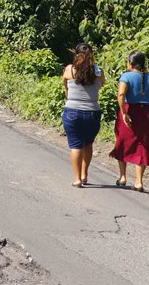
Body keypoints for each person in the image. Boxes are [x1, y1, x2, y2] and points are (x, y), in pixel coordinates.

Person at [109, 50, 149, 190]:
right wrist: (148, 110)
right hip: (146, 112)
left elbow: (121, 94)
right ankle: (139, 181)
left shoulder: (126, 76)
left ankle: (123, 176)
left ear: (130, 63)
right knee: (143, 145)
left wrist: (124, 113)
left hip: (130, 110)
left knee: (122, 142)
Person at [61, 42, 104, 187]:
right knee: (88, 144)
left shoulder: (69, 70)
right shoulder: (98, 71)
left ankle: (77, 178)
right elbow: (101, 84)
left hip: (72, 111)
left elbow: (66, 86)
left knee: (75, 145)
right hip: (93, 111)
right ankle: (85, 174)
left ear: (76, 54)